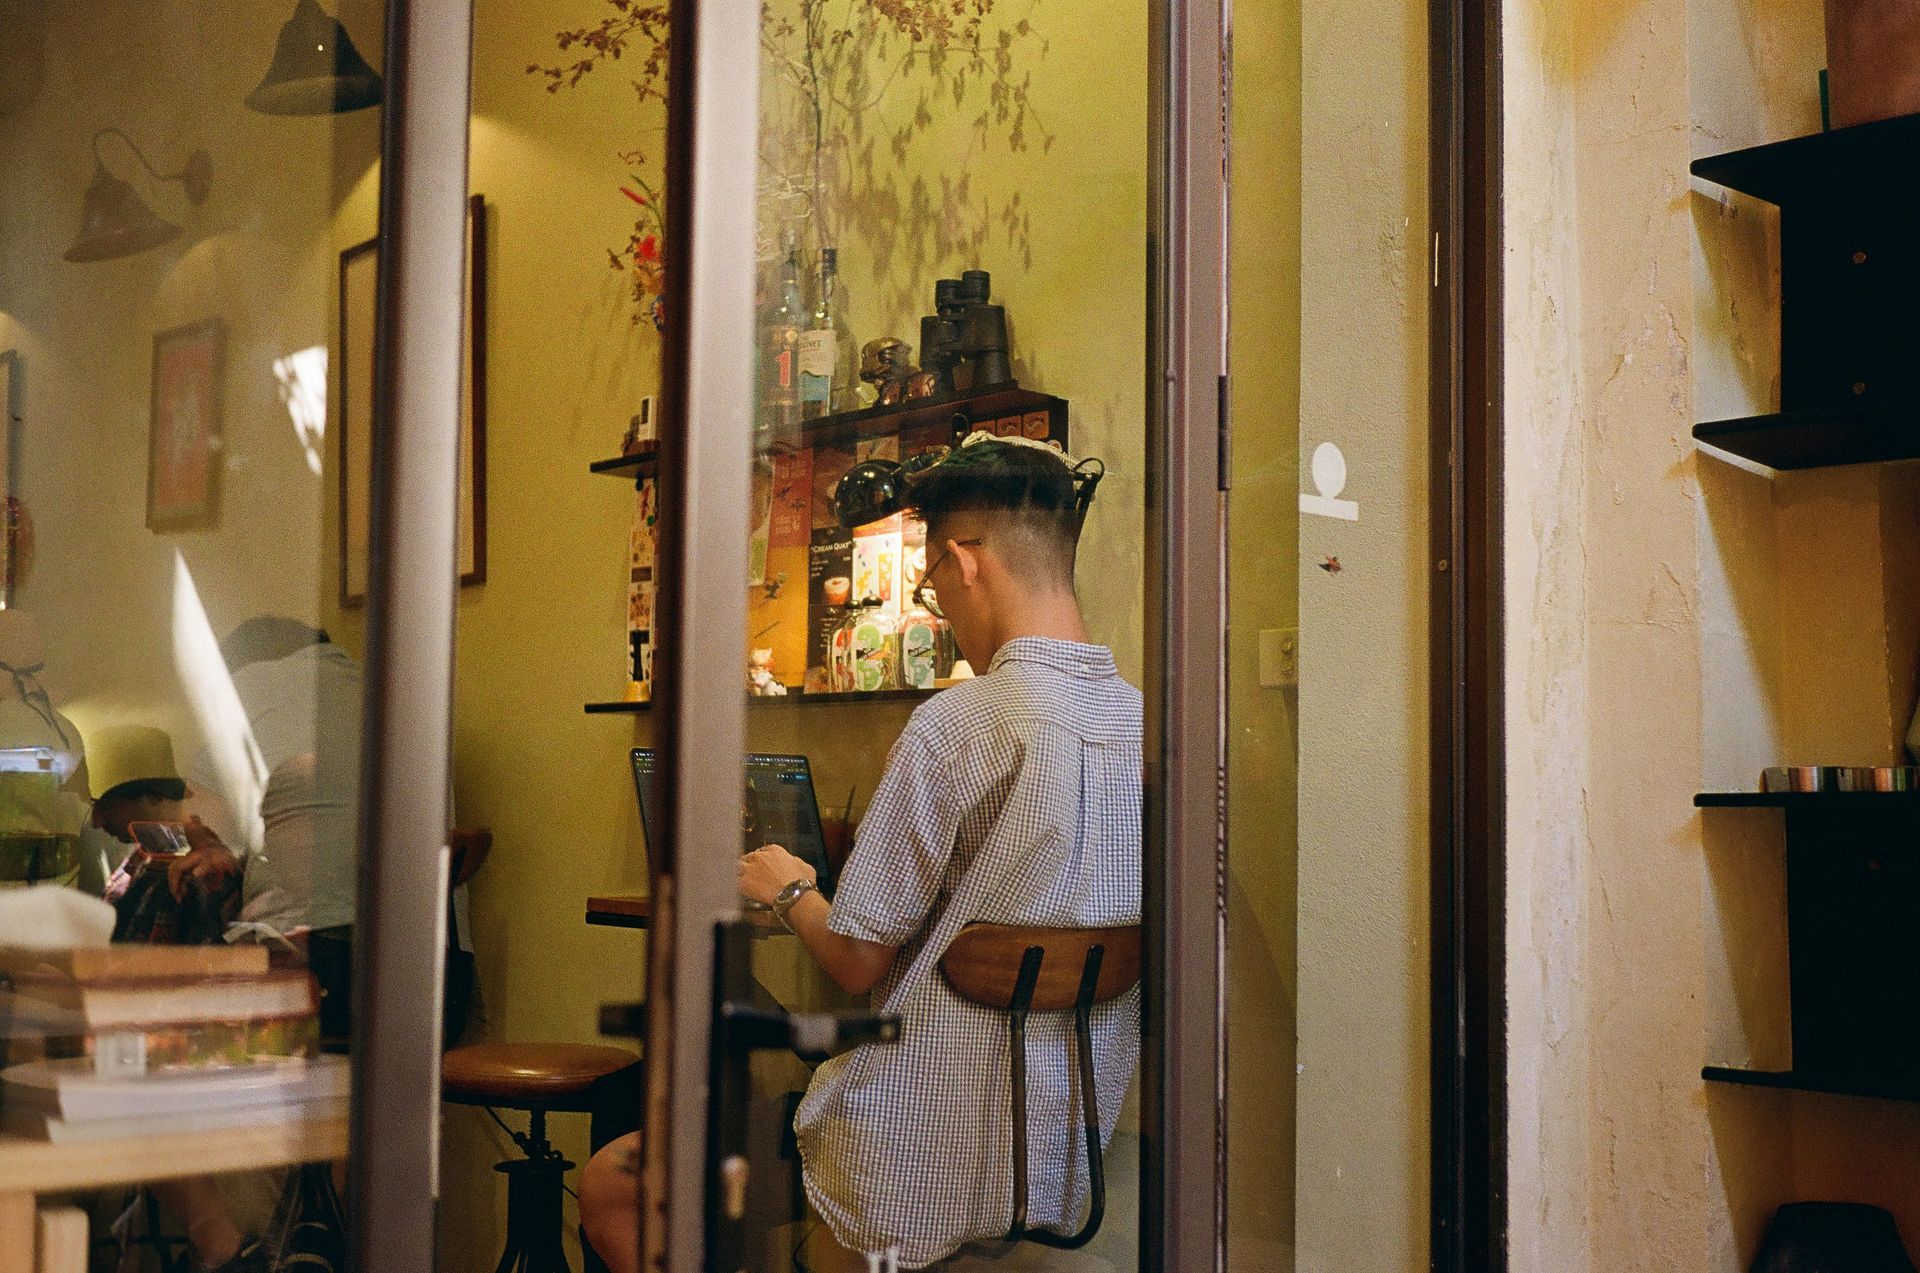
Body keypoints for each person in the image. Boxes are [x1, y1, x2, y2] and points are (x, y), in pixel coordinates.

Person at [581, 436, 1140, 1271]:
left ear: (965, 559)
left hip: (911, 1156)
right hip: (1053, 1163)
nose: (941, 604)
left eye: (934, 584)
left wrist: (789, 887)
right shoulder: (1146, 726)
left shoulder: (961, 727)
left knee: (611, 1182)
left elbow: (850, 958)